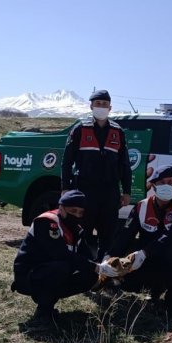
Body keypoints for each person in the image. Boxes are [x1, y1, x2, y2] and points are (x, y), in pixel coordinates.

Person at [11, 190, 119, 328]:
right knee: (64, 266)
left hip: (48, 271)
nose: (77, 215)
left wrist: (104, 267)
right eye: (73, 211)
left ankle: (49, 304)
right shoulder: (47, 222)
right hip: (29, 275)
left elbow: (87, 257)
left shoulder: (76, 228)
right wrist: (95, 266)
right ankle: (43, 312)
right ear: (61, 208)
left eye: (80, 213)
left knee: (90, 274)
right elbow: (60, 254)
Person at [107, 165, 172, 313]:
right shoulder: (142, 207)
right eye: (162, 183)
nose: (167, 186)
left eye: (171, 182)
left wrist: (144, 253)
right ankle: (154, 289)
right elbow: (125, 235)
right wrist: (109, 256)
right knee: (128, 281)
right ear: (153, 186)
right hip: (148, 258)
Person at [61, 89, 132, 261]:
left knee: (107, 235)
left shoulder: (118, 132)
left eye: (105, 104)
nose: (101, 107)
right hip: (85, 190)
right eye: (98, 104)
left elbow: (125, 164)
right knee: (83, 233)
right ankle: (83, 271)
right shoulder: (80, 129)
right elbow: (67, 162)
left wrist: (127, 191)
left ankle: (104, 272)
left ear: (110, 108)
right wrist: (65, 188)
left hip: (110, 192)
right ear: (91, 106)